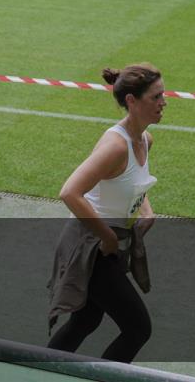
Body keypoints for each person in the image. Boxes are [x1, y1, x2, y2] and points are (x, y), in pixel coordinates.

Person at [47, 64, 164, 364]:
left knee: (85, 322)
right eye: (156, 97)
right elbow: (70, 192)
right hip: (91, 246)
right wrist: (108, 237)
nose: (164, 102)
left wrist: (146, 211)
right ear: (132, 102)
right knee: (138, 328)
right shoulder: (115, 146)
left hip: (108, 244)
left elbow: (135, 184)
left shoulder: (145, 141)